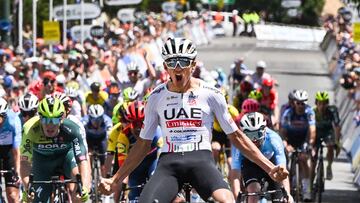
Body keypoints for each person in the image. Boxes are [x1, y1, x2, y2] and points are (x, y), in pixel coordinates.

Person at [99, 38, 288, 202]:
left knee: (226, 200)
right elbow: (142, 144)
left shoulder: (211, 94)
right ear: (165, 67)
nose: (178, 68)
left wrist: (270, 167)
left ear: (193, 65)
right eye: (172, 63)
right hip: (169, 163)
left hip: (201, 160)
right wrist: (115, 180)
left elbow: (237, 136)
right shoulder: (156, 97)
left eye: (183, 62)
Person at [20, 96, 91, 202]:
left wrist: (84, 187)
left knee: (79, 188)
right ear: (39, 117)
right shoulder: (29, 129)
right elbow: (25, 163)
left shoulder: (73, 129)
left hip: (66, 157)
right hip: (42, 161)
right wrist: (27, 187)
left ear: (62, 118)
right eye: (45, 119)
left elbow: (82, 161)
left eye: (54, 120)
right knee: (36, 199)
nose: (50, 125)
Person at [105, 101, 162, 202]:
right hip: (135, 167)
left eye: (142, 122)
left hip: (153, 161)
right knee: (133, 197)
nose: (139, 128)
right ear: (129, 122)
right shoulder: (123, 136)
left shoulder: (157, 131)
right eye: (135, 123)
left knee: (156, 180)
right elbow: (123, 166)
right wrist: (123, 185)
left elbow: (162, 155)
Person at [232, 112, 292, 203]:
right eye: (250, 136)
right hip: (250, 164)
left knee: (280, 199)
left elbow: (282, 171)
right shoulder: (239, 143)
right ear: (244, 135)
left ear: (264, 130)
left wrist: (287, 194)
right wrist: (237, 196)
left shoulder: (273, 138)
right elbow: (235, 174)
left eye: (258, 134)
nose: (255, 140)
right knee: (253, 192)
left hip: (272, 164)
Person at [280, 89, 316, 201]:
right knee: (284, 161)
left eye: (303, 103)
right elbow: (282, 131)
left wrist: (310, 144)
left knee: (304, 159)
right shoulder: (288, 113)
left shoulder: (309, 112)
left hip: (303, 139)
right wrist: (285, 144)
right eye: (298, 103)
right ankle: (289, 183)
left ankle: (306, 191)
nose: (300, 106)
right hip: (290, 139)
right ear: (294, 102)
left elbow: (312, 130)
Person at [313, 91, 341, 180]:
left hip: (328, 132)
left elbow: (337, 127)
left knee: (330, 145)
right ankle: (311, 178)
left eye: (324, 103)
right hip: (316, 132)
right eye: (319, 103)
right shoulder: (312, 111)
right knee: (314, 154)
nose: (322, 106)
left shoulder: (332, 110)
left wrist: (337, 142)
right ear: (316, 103)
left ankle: (329, 166)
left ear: (327, 103)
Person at [0, 97, 21, 203]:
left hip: (9, 151)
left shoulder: (13, 121)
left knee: (12, 195)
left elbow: (16, 150)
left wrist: (17, 171)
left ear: (4, 115)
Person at [82, 104, 113, 176]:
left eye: (99, 118)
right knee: (88, 157)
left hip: (102, 139)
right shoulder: (84, 121)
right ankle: (90, 175)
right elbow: (81, 135)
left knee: (104, 161)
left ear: (102, 116)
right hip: (89, 138)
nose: (96, 122)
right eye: (93, 119)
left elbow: (110, 135)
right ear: (89, 117)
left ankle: (103, 177)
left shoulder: (107, 120)